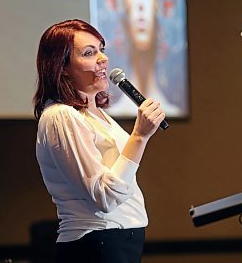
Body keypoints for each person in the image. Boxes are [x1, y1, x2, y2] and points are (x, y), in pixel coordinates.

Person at [33, 19, 166, 263]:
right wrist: (140, 135)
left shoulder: (95, 114)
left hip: (117, 242)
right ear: (61, 67)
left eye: (101, 49)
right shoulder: (61, 116)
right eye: (88, 53)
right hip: (97, 244)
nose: (103, 59)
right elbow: (103, 197)